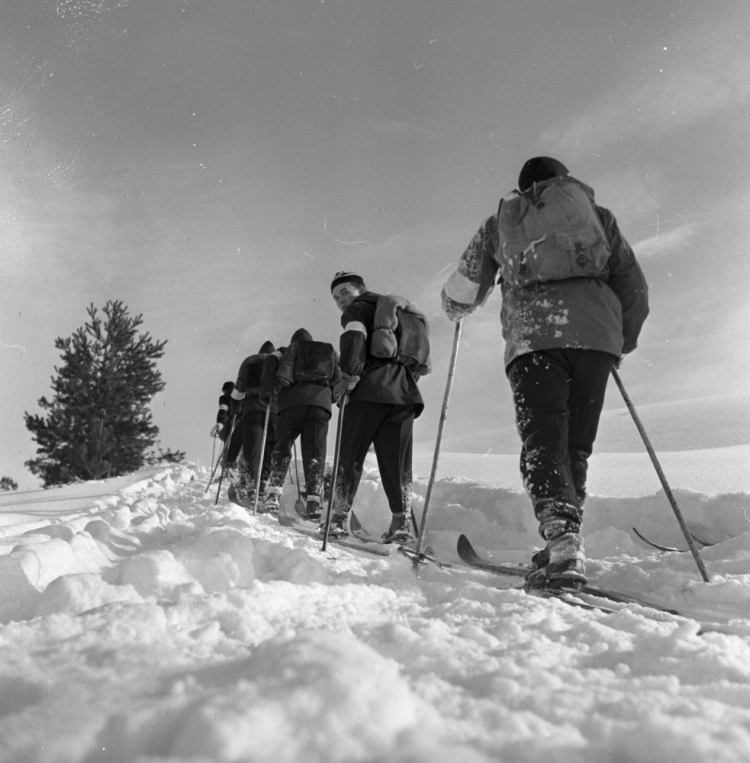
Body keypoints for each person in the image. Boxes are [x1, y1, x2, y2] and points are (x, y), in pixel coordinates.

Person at [441, 156, 649, 590]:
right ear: (564, 180)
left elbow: (460, 293)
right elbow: (633, 284)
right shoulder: (595, 214)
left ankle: (562, 540)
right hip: (595, 340)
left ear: (522, 189)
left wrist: (456, 306)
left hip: (533, 339)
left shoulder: (502, 222)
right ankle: (566, 539)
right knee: (575, 445)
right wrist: (618, 342)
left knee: (543, 440)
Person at [327, 272, 429, 543]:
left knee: (350, 456)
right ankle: (400, 524)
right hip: (404, 395)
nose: (340, 301)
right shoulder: (397, 313)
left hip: (367, 392)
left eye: (345, 292)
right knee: (397, 463)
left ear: (361, 290)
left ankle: (336, 519)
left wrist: (348, 377)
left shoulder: (357, 311)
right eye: (337, 297)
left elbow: (354, 341)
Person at [259, 328, 341, 517]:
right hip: (320, 405)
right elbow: (337, 378)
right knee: (315, 452)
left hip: (292, 404)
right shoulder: (327, 351)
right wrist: (330, 398)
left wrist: (270, 391)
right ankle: (313, 501)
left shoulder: (289, 349)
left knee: (283, 446)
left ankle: (273, 495)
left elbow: (275, 365)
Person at [229, 341, 278, 506]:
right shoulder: (280, 360)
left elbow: (239, 389)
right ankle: (263, 484)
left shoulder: (250, 360)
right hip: (275, 410)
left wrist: (235, 409)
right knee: (270, 448)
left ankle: (252, 487)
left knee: (253, 450)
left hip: (253, 409)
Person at [210, 381, 243, 472]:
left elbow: (223, 411)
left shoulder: (224, 398)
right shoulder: (242, 396)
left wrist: (220, 423)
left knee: (229, 448)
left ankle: (227, 468)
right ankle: (235, 470)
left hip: (229, 428)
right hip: (242, 427)